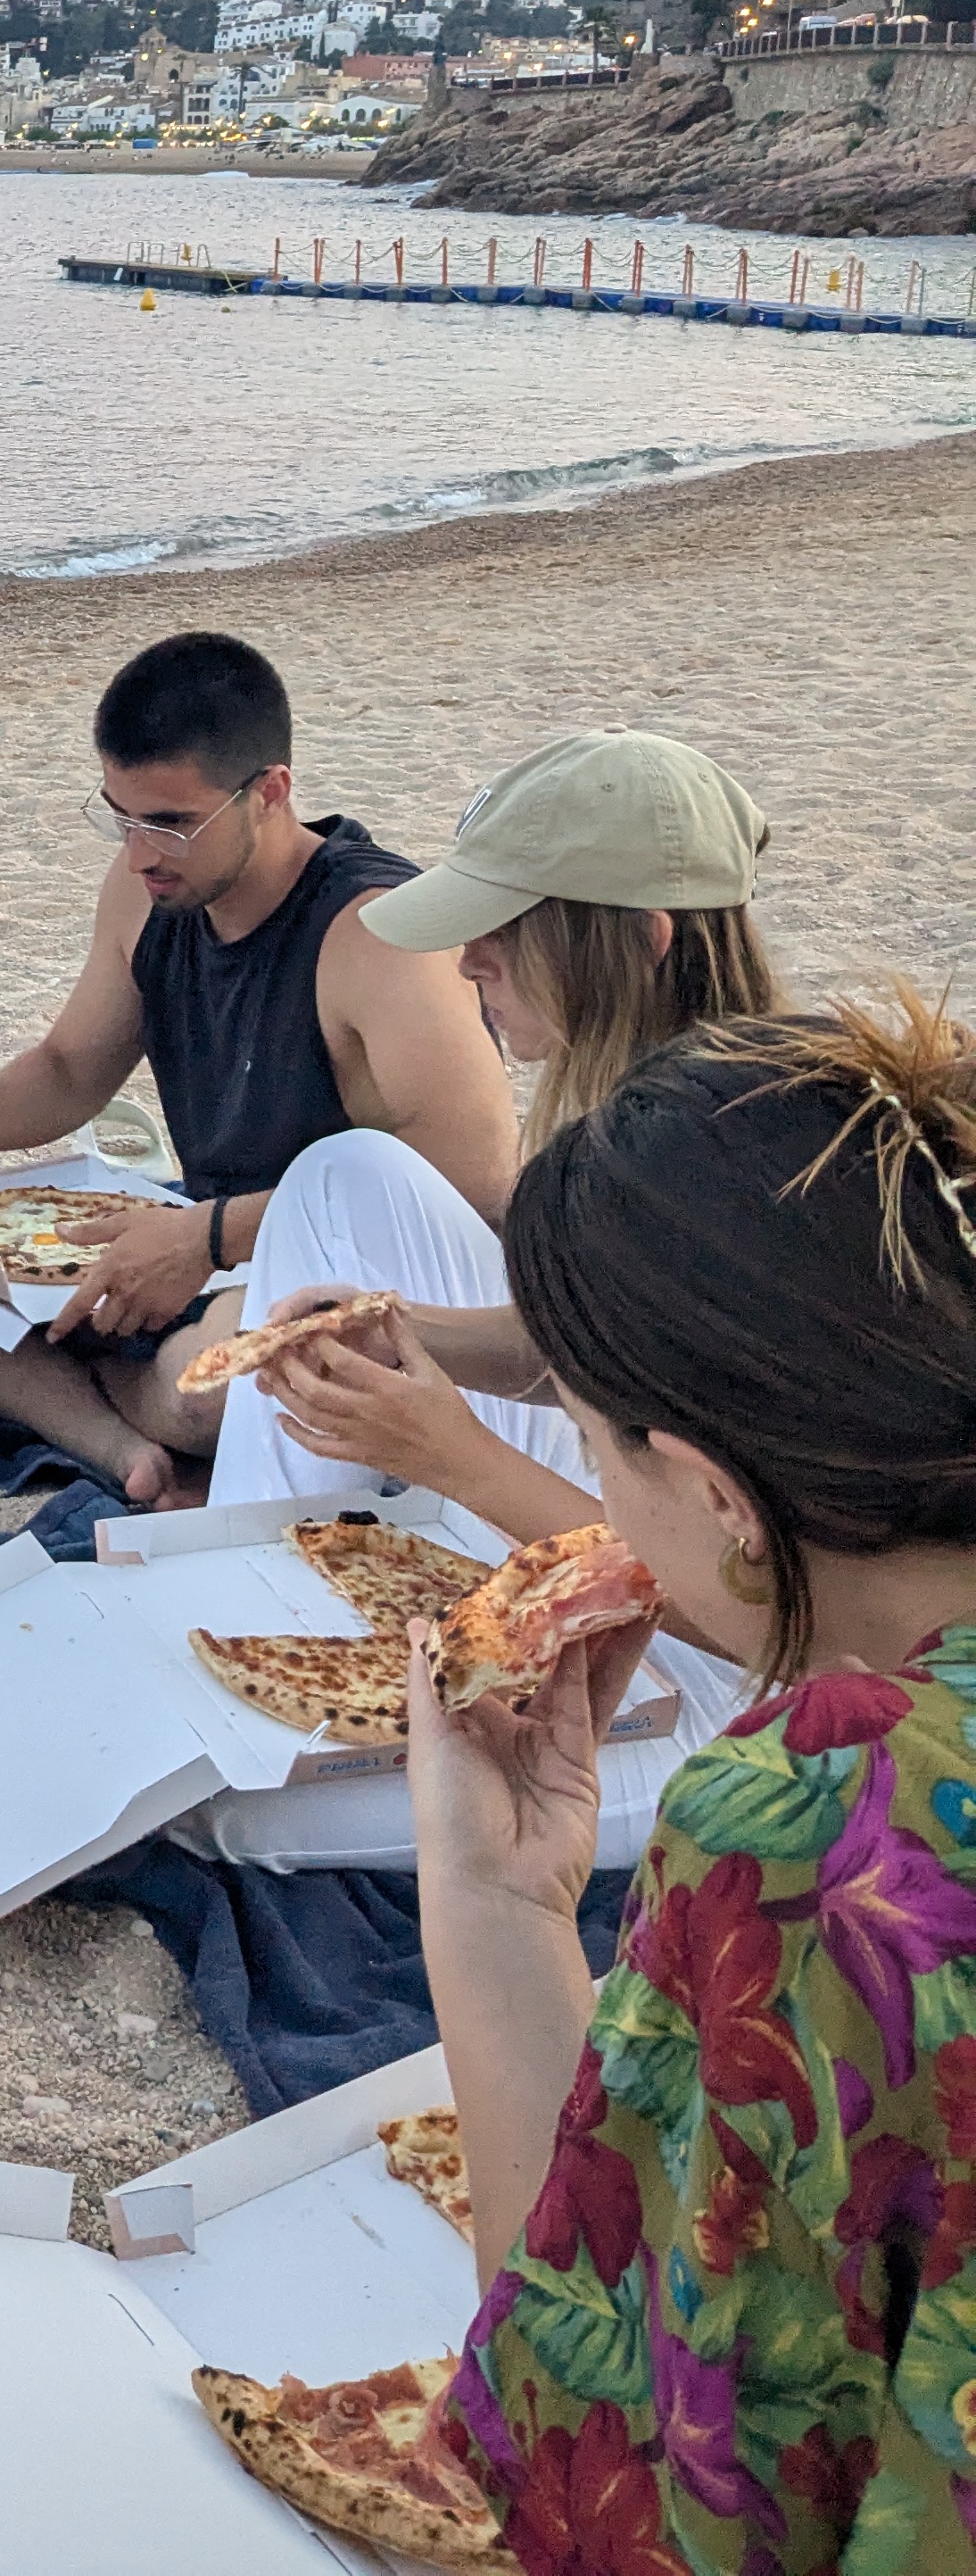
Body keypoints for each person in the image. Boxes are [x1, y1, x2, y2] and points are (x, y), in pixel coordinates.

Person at [409, 990, 976, 2568]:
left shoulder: (826, 1807)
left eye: (596, 1447)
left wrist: (486, 1897)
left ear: (716, 1491)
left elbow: (633, 2489)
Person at [0, 632, 516, 1504]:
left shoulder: (374, 932)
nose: (141, 853)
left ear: (270, 793)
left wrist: (207, 1240)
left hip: (328, 1269)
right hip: (190, 1232)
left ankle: (85, 1394)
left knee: (214, 1384)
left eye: (172, 823)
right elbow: (71, 1068)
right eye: (121, 817)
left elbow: (472, 1180)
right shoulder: (148, 887)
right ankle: (113, 1440)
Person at [209, 729, 780, 1533]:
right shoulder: (683, 1123)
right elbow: (594, 1354)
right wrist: (395, 1331)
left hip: (719, 1601)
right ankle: (255, 1551)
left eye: (505, 930)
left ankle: (251, 1564)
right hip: (685, 1557)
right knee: (344, 1173)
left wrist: (453, 1456)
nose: (469, 961)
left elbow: (730, 1582)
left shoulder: (723, 1181)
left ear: (646, 942)